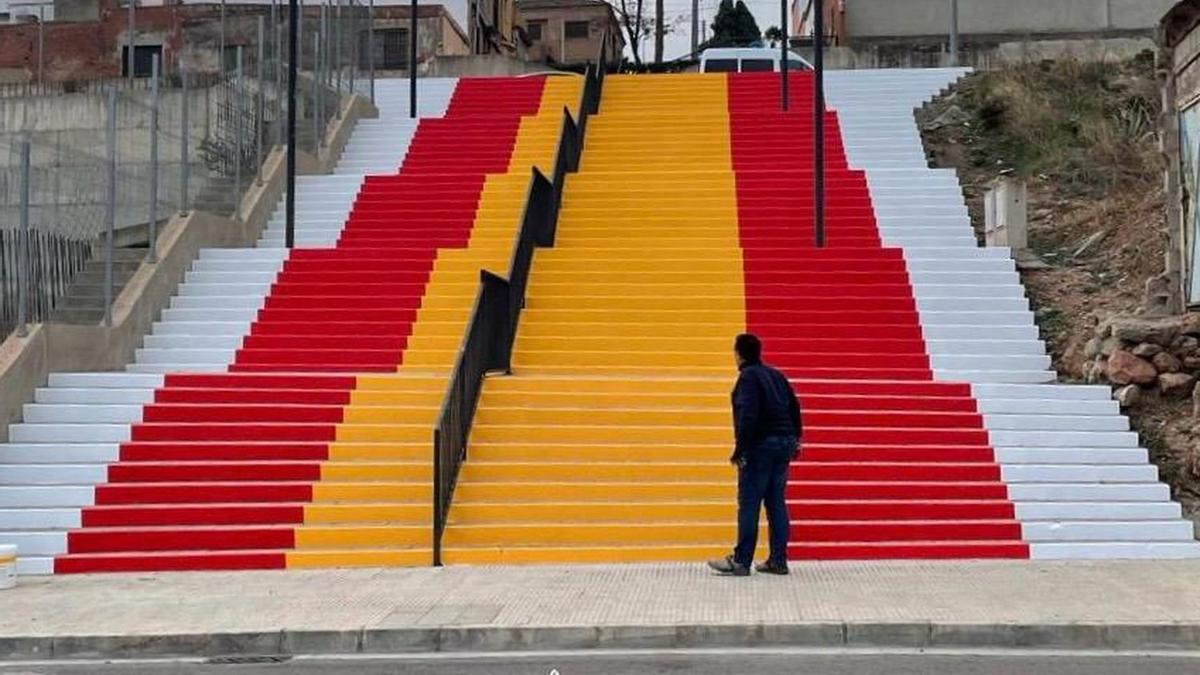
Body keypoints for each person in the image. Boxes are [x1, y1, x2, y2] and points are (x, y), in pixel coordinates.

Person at [708, 333, 802, 577]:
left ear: (738, 354)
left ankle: (741, 560)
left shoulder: (748, 378)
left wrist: (740, 450)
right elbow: (794, 406)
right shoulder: (776, 375)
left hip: (760, 446)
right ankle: (778, 560)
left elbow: (748, 415)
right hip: (784, 443)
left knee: (749, 504)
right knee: (776, 502)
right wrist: (796, 439)